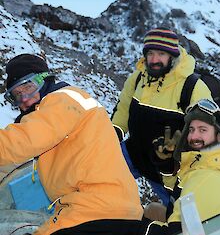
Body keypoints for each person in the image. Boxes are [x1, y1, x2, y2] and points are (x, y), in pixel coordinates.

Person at [0, 54, 143, 235]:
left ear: (45, 79)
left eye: (29, 86)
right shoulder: (62, 108)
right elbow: (16, 160)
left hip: (94, 208)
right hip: (110, 207)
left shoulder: (62, 100)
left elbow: (19, 143)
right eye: (17, 95)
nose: (25, 98)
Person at [111, 28, 212, 205]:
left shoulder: (193, 87)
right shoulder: (137, 79)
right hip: (134, 153)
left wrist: (178, 161)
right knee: (98, 177)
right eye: (150, 53)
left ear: (172, 56)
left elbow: (206, 137)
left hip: (168, 170)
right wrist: (113, 135)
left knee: (179, 217)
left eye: (161, 54)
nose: (154, 60)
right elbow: (123, 111)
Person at [142, 99, 220, 234]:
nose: (194, 136)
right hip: (219, 229)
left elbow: (176, 232)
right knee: (153, 210)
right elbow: (180, 192)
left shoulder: (207, 177)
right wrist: (166, 166)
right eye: (191, 130)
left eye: (202, 130)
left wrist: (140, 228)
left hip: (193, 230)